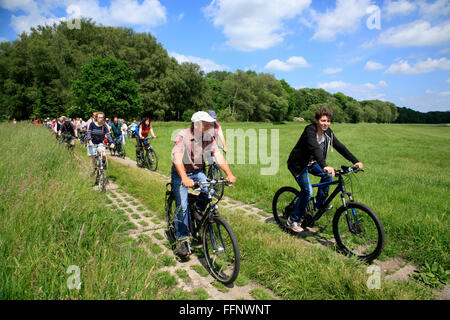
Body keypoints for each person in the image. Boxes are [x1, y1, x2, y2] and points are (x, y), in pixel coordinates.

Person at [171, 111, 237, 258]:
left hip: (197, 171)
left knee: (210, 191)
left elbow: (218, 155)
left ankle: (197, 208)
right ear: (196, 125)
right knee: (182, 206)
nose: (210, 127)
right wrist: (184, 178)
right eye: (206, 125)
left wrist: (229, 174)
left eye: (211, 124)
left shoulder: (209, 136)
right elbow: (177, 159)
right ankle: (181, 239)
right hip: (180, 172)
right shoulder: (183, 136)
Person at [286, 107, 363, 233]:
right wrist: (324, 165)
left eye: (328, 121)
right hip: (298, 164)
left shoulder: (328, 132)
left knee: (328, 177)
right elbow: (315, 148)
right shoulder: (310, 130)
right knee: (308, 191)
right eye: (323, 120)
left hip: (312, 163)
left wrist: (355, 161)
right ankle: (293, 220)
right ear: (317, 120)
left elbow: (339, 146)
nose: (325, 123)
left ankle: (318, 204)